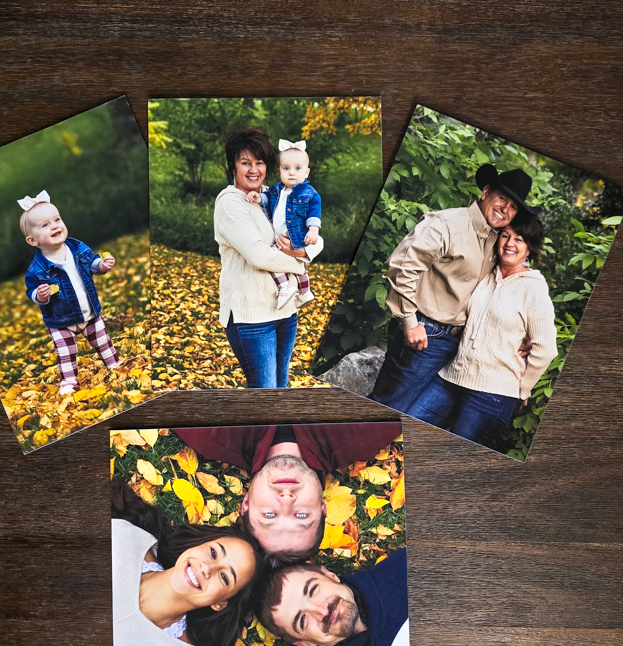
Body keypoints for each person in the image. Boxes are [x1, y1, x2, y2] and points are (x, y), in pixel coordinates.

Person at [369, 165, 540, 411]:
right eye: (502, 199)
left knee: (413, 415)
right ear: (485, 192)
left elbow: (512, 283)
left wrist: (524, 336)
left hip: (462, 346)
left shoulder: (500, 239)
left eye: (513, 207)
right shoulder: (446, 224)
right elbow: (402, 267)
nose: (506, 209)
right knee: (388, 405)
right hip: (426, 335)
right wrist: (409, 321)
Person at [406, 216, 558, 446]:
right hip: (451, 377)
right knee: (408, 426)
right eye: (505, 235)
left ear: (529, 248)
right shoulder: (487, 275)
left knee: (451, 457)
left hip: (492, 394)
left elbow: (545, 348)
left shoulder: (533, 288)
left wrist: (523, 389)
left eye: (519, 239)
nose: (510, 243)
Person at [174, 422, 403, 561]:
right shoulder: (365, 435)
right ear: (322, 507)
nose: (285, 500)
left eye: (269, 515)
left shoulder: (208, 434)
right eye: (301, 516)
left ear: (246, 504)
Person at [110, 481, 262, 646]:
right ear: (197, 545)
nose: (208, 568)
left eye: (224, 577)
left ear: (219, 604)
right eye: (213, 553)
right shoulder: (124, 537)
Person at [214, 127, 315, 389]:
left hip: (285, 310)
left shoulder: (273, 196)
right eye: (245, 162)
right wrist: (301, 263)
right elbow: (258, 255)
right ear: (233, 166)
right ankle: (253, 432)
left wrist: (307, 250)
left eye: (259, 162)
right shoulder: (230, 203)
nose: (253, 170)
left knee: (280, 388)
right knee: (266, 393)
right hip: (252, 317)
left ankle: (275, 432)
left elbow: (311, 233)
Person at [20, 191, 120, 396]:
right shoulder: (37, 269)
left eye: (57, 219)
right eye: (45, 225)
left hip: (89, 311)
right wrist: (40, 295)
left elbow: (92, 264)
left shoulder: (77, 248)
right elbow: (31, 291)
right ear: (32, 240)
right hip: (61, 320)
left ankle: (114, 364)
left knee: (102, 341)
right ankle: (69, 381)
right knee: (66, 353)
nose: (55, 225)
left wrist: (102, 265)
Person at [258, 548, 409, 646]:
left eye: (313, 590)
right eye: (302, 621)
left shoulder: (406, 567)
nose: (322, 611)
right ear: (305, 643)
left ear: (330, 575)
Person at [246, 139, 323, 309]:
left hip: (295, 235)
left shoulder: (309, 193)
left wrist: (313, 230)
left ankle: (284, 288)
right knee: (299, 265)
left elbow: (314, 213)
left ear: (307, 172)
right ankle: (304, 293)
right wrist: (259, 198)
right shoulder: (277, 189)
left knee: (272, 258)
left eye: (297, 168)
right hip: (284, 236)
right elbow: (268, 198)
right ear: (280, 170)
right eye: (286, 168)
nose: (291, 173)